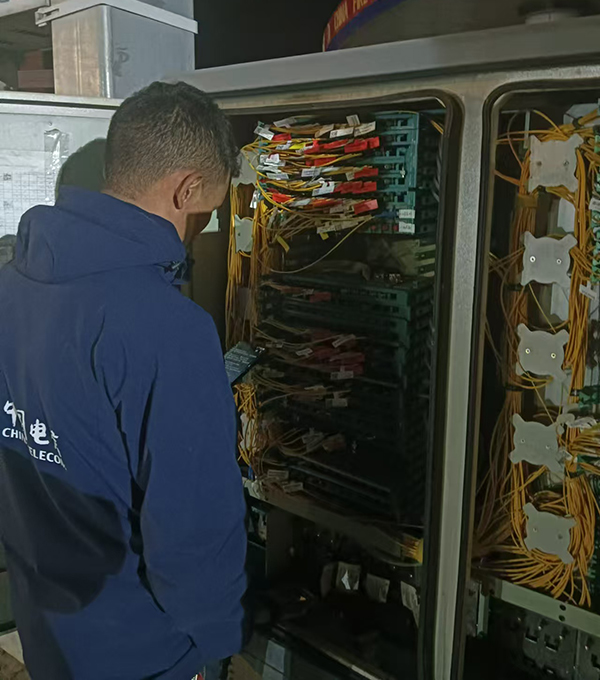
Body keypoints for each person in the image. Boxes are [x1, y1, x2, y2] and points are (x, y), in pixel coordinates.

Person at [0, 82, 247, 680]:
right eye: (207, 212)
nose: (201, 227)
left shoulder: (12, 283)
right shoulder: (169, 329)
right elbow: (191, 529)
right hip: (143, 650)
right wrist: (217, 638)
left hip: (48, 624)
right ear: (186, 189)